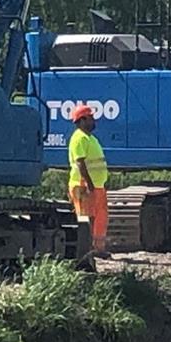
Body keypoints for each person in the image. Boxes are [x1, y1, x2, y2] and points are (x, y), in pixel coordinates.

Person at [67, 105, 110, 252]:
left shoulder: (90, 138)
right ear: (82, 120)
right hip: (84, 186)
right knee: (86, 219)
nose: (94, 120)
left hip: (96, 186)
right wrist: (89, 184)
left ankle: (97, 249)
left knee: (98, 217)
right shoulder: (79, 138)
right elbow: (80, 163)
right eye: (90, 118)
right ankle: (86, 251)